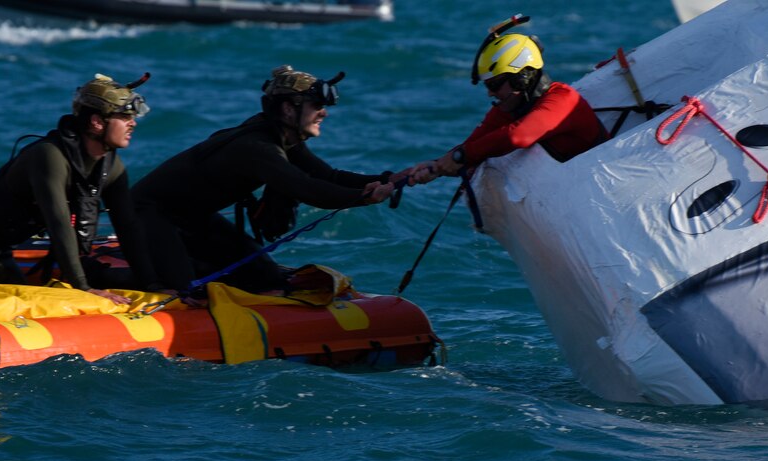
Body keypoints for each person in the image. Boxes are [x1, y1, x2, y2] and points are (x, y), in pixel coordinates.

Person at [131, 66, 397, 296]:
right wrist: (362, 197)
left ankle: (194, 263)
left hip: (193, 218)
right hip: (151, 214)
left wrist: (390, 179)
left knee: (267, 278)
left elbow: (328, 176)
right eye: (317, 105)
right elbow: (307, 189)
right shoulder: (257, 147)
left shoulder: (280, 137)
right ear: (288, 109)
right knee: (180, 290)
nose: (324, 113)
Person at [0, 73, 158, 304]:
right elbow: (58, 222)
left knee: (17, 303)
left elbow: (128, 228)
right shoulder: (49, 156)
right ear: (97, 122)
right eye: (124, 116)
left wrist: (152, 285)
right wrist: (83, 288)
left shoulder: (112, 167)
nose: (133, 123)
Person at [408, 15, 607, 186]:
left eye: (494, 85)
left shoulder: (563, 99)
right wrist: (436, 166)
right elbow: (473, 144)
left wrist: (461, 156)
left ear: (521, 78)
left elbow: (517, 136)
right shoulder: (513, 106)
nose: (490, 94)